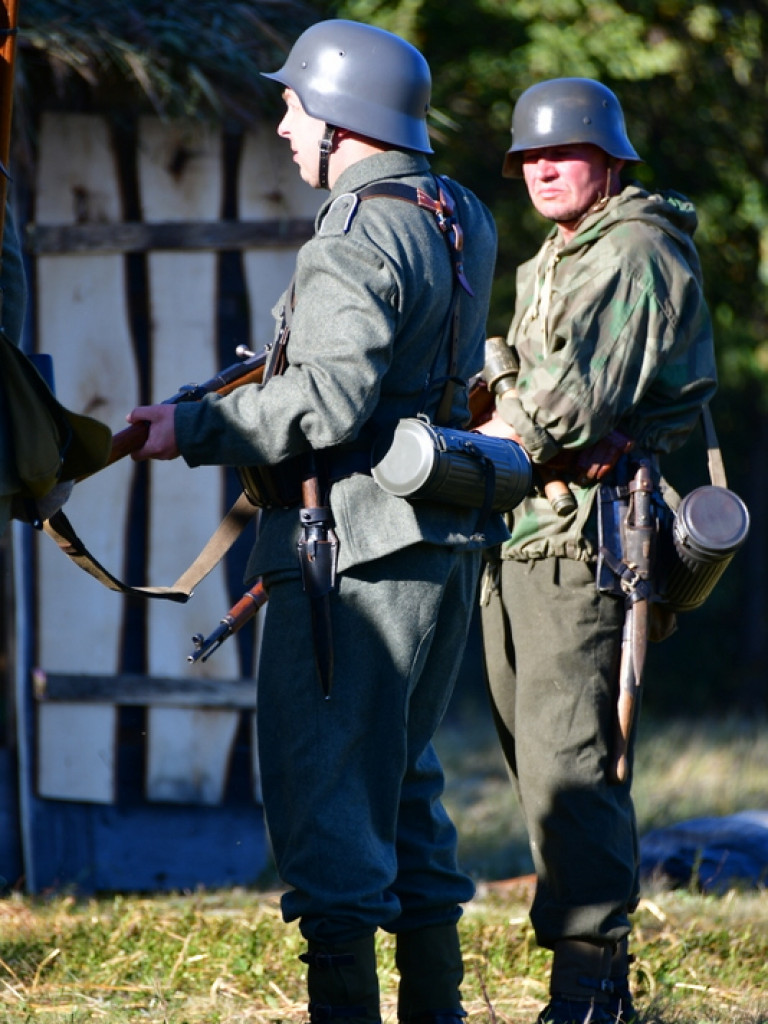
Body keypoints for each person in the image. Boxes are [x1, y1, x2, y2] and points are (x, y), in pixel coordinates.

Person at [127, 19, 506, 1024]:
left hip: (348, 555)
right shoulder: (458, 210)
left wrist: (192, 424)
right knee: (405, 791)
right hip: (437, 540)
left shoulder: (355, 227)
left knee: (323, 808)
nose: (286, 124)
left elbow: (332, 399)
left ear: (342, 117)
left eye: (295, 105)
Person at [477, 78, 717, 1024]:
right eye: (529, 156)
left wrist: (468, 448)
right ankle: (583, 979)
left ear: (609, 161)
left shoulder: (635, 247)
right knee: (538, 764)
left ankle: (589, 992)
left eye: (562, 153)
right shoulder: (557, 253)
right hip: (528, 525)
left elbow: (565, 405)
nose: (542, 168)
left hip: (588, 531)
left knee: (575, 764)